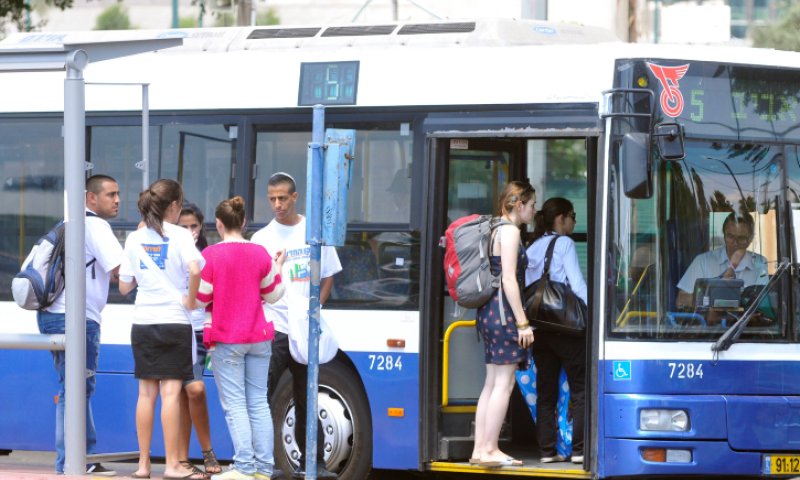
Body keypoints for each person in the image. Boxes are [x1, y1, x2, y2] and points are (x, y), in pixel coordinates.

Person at [250, 172, 342, 480]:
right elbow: (256, 286)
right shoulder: (261, 239)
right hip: (274, 328)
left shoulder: (313, 232)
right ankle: (264, 463)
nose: (277, 205)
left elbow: (327, 275)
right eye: (272, 199)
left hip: (305, 329)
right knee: (262, 395)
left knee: (307, 397)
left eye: (282, 198)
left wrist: (315, 310)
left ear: (295, 197)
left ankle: (313, 463)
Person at [118, 179, 205, 480]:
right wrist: (191, 301)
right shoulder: (181, 235)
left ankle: (143, 465)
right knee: (170, 394)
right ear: (173, 206)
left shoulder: (133, 238)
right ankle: (171, 465)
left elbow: (124, 284)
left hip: (143, 321)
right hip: (174, 321)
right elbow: (195, 269)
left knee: (145, 394)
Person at [36, 174, 122, 476]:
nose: (117, 200)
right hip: (79, 318)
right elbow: (120, 270)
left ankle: (81, 458)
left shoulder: (65, 225)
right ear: (90, 198)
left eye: (117, 194)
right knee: (75, 390)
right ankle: (71, 463)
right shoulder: (96, 225)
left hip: (49, 316)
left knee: (71, 389)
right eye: (110, 194)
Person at [195, 195, 285, 480]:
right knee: (258, 401)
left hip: (226, 337)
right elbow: (273, 294)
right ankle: (263, 468)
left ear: (219, 224)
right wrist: (278, 267)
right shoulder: (260, 253)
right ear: (244, 222)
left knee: (235, 404)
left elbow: (200, 299)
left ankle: (244, 467)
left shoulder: (210, 256)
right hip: (259, 336)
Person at [469, 180, 536, 468]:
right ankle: (491, 449)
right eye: (532, 205)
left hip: (488, 312)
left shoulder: (494, 228)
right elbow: (509, 279)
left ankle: (479, 449)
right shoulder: (510, 232)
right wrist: (523, 322)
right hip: (504, 313)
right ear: (519, 205)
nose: (535, 211)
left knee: (492, 383)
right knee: (504, 384)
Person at [525, 197, 587, 465]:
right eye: (572, 215)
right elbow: (577, 285)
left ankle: (548, 451)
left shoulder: (533, 246)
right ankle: (579, 450)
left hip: (540, 329)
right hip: (565, 328)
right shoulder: (564, 243)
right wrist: (592, 315)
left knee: (546, 392)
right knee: (581, 389)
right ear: (560, 218)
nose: (574, 221)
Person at [177, 202, 221, 476]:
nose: (190, 231)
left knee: (194, 391)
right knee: (186, 392)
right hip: (178, 330)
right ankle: (185, 458)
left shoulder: (206, 256)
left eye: (194, 226)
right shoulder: (171, 252)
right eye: (184, 227)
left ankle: (204, 452)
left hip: (205, 331)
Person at [676, 212, 768, 309]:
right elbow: (681, 300)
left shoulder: (759, 262)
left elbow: (763, 303)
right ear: (724, 235)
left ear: (750, 239)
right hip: (709, 323)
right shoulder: (703, 261)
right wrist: (716, 294)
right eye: (730, 237)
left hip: (748, 323)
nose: (735, 243)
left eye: (741, 238)